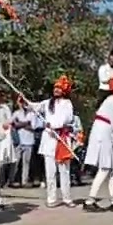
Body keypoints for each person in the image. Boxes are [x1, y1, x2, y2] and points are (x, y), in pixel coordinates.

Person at [83, 73, 113, 211]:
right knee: (105, 168)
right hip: (103, 133)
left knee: (110, 169)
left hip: (105, 133)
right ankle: (90, 200)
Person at [36, 76, 76, 207]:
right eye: (55, 88)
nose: (56, 90)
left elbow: (67, 119)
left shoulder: (67, 103)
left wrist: (55, 125)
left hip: (62, 138)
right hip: (48, 140)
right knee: (50, 171)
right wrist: (25, 101)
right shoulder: (47, 103)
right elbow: (35, 107)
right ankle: (51, 198)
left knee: (64, 171)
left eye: (59, 88)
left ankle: (67, 198)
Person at [11, 100, 38, 188]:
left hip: (29, 141)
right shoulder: (16, 113)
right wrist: (26, 123)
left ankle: (24, 181)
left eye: (25, 103)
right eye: (22, 103)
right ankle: (12, 180)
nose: (24, 105)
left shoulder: (32, 114)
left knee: (26, 162)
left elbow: (33, 127)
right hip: (18, 141)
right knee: (15, 161)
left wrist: (20, 124)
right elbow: (13, 125)